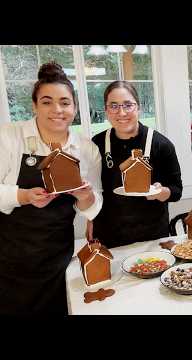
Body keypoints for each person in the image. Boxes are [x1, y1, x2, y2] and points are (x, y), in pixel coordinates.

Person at [0, 62, 103, 315]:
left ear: (75, 108)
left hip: (58, 256)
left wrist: (86, 196)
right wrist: (23, 196)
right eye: (47, 102)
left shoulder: (86, 150)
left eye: (65, 102)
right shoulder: (8, 137)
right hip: (9, 258)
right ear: (34, 106)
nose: (57, 110)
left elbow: (93, 207)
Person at [88, 81, 182, 248]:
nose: (121, 112)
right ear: (106, 110)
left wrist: (161, 192)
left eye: (128, 105)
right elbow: (94, 188)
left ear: (138, 107)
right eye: (114, 106)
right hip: (108, 234)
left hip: (151, 236)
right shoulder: (97, 143)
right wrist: (90, 219)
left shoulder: (161, 145)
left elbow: (176, 191)